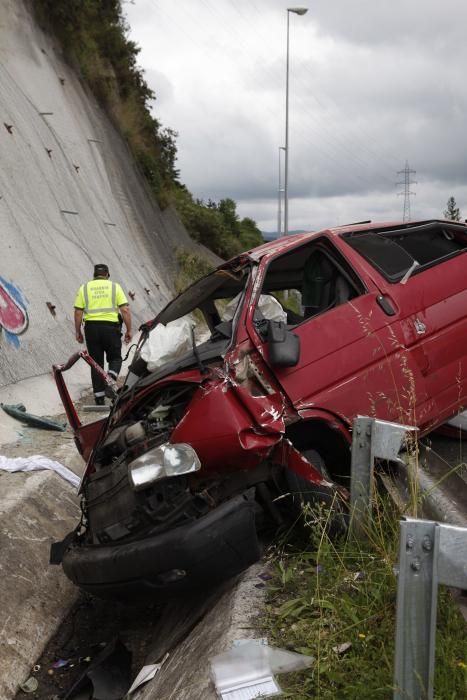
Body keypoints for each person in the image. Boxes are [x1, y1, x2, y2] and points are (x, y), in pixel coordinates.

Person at [74, 264, 132, 404]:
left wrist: (78, 331)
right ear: (107, 275)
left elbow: (78, 312)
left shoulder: (84, 288)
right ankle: (110, 379)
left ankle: (99, 399)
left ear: (94, 275)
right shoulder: (115, 287)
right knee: (115, 358)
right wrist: (129, 330)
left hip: (91, 329)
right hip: (110, 328)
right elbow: (124, 310)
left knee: (96, 363)